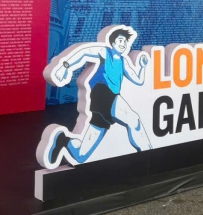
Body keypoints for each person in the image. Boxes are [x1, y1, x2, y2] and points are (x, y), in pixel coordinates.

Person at [39, 26, 152, 168]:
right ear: (113, 42)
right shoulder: (104, 52)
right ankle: (148, 154)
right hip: (102, 93)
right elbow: (83, 52)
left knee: (80, 155)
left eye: (125, 41)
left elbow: (138, 80)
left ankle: (62, 140)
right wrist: (65, 65)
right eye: (120, 40)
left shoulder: (123, 61)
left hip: (103, 107)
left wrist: (142, 66)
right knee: (134, 120)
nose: (123, 44)